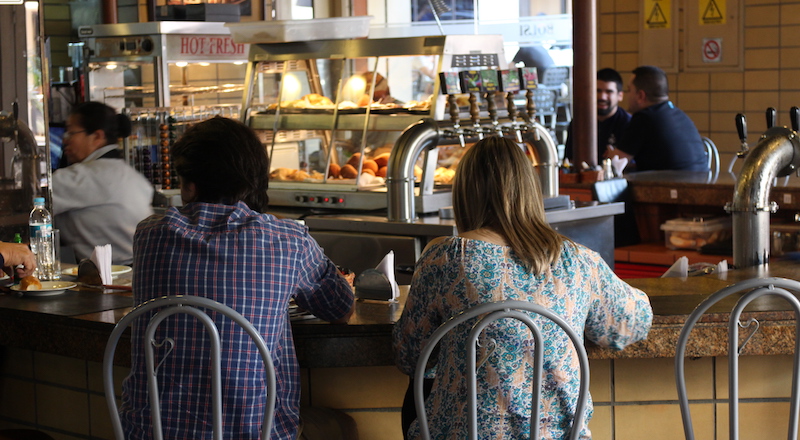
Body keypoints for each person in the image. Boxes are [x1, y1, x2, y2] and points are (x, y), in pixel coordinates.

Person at [393, 136, 652, 439]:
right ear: (531, 190)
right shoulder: (580, 261)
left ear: (463, 194)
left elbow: (408, 354)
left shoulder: (445, 258)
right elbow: (630, 323)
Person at [120, 116, 355, 440]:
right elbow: (341, 309)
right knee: (339, 427)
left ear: (189, 185)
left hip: (151, 434)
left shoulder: (149, 234)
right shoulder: (287, 240)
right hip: (252, 434)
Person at [52, 102, 154, 265]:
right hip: (144, 268)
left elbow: (30, 203)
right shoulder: (134, 176)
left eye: (71, 132)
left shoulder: (82, 177)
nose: (65, 140)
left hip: (113, 275)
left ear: (97, 137)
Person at [606, 65, 708, 172]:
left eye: (629, 90)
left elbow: (615, 163)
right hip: (701, 183)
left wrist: (611, 154)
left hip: (672, 186)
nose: (627, 95)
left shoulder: (644, 118)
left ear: (641, 96)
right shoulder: (678, 114)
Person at [564, 68, 631, 163]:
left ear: (620, 96)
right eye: (598, 91)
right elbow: (569, 160)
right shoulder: (579, 122)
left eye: (609, 92)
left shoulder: (629, 124)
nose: (602, 97)